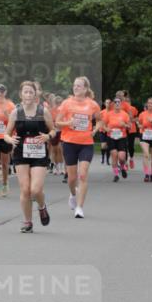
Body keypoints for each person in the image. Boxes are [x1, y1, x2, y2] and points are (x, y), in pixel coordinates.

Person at [4, 80, 54, 232]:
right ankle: (27, 222)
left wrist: (47, 136)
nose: (28, 94)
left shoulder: (42, 111)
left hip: (39, 153)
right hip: (21, 153)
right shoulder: (16, 112)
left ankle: (42, 206)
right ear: (21, 94)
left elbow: (53, 131)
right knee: (25, 189)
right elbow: (6, 134)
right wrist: (10, 139)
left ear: (35, 94)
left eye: (31, 92)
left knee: (36, 190)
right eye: (25, 92)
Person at [55, 76, 101, 219]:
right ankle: (73, 194)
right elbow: (57, 122)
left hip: (86, 143)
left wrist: (95, 130)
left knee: (83, 174)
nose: (75, 88)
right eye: (74, 85)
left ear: (86, 89)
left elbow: (99, 121)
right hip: (69, 142)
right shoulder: (67, 103)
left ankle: (80, 207)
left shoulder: (93, 104)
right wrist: (69, 123)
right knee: (72, 178)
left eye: (79, 86)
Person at [100, 96, 131, 181]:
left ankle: (122, 167)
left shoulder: (125, 114)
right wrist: (107, 129)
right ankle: (116, 175)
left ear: (121, 104)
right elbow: (103, 125)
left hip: (122, 138)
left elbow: (130, 127)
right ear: (113, 104)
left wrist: (124, 125)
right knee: (114, 155)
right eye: (115, 102)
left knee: (121, 157)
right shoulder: (108, 114)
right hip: (111, 137)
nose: (117, 103)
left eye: (119, 102)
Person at [119, 91, 139, 169]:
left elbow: (137, 118)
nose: (126, 102)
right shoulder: (119, 107)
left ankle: (131, 158)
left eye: (128, 101)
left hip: (132, 129)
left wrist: (132, 120)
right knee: (124, 145)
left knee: (131, 146)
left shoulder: (133, 109)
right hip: (123, 129)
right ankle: (126, 162)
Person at [99, 98, 112, 165]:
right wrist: (104, 128)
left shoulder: (113, 112)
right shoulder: (102, 112)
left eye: (109, 103)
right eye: (107, 103)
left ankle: (107, 160)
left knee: (108, 146)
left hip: (110, 131)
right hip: (103, 130)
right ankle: (102, 156)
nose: (108, 104)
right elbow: (100, 122)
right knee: (103, 146)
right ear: (105, 104)